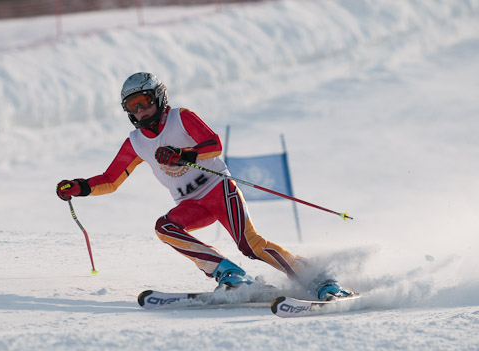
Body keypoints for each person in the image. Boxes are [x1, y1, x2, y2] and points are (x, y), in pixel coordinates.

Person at [56, 72, 352, 300]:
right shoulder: (136, 143)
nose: (141, 111)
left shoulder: (181, 118)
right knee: (165, 227)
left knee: (250, 244)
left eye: (144, 102)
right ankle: (231, 276)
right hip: (191, 205)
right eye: (133, 107)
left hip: (219, 190)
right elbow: (111, 180)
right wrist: (79, 187)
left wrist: (183, 155)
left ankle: (320, 279)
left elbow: (214, 144)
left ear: (158, 98)